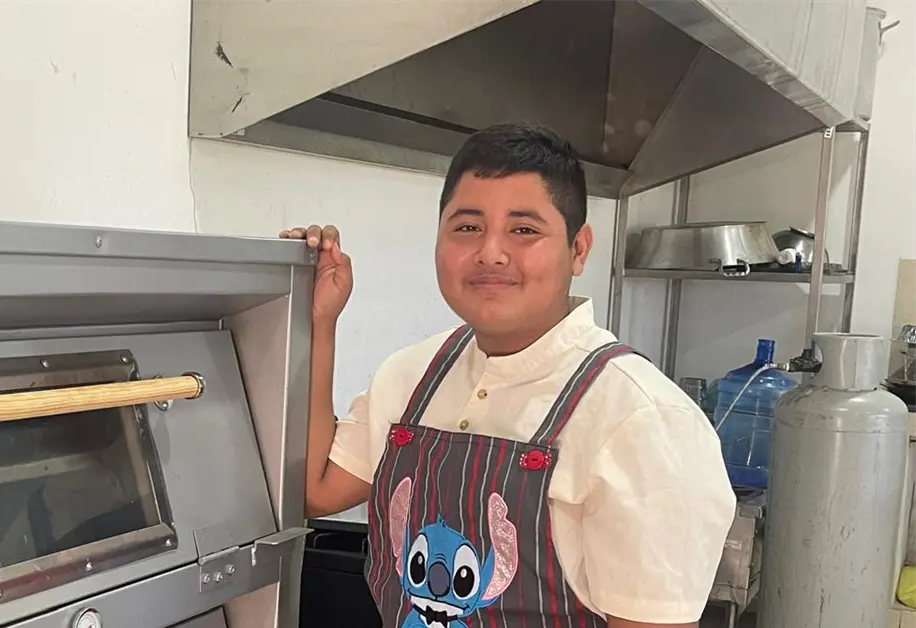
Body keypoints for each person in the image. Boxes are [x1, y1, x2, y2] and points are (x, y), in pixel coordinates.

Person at [280, 123, 735, 628]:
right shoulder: (412, 375)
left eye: (523, 230)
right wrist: (317, 321)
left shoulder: (641, 420)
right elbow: (314, 490)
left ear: (578, 249)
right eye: (468, 227)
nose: (490, 253)